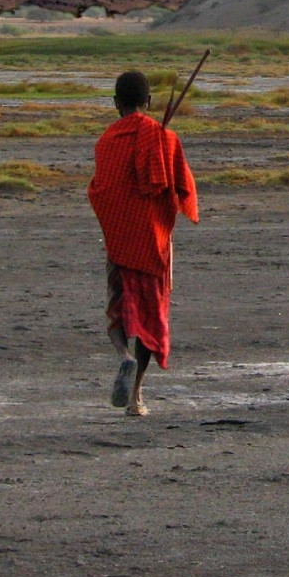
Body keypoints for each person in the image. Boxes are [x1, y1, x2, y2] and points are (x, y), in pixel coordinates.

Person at [87, 71, 198, 416]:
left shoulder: (106, 140)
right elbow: (182, 189)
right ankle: (135, 398)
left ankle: (124, 356)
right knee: (150, 314)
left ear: (115, 103)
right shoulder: (164, 138)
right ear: (148, 102)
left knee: (118, 311)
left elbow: (100, 192)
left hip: (119, 241)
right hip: (153, 242)